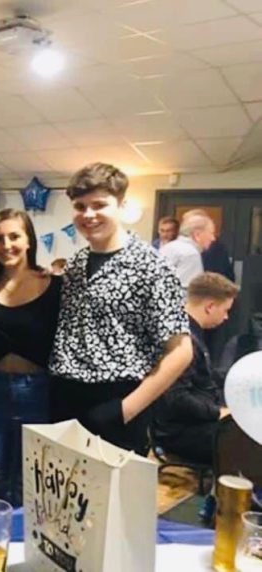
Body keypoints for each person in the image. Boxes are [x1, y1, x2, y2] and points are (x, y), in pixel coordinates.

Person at [49, 162, 192, 456]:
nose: (88, 215)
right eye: (80, 206)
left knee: (112, 500)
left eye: (99, 204)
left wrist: (126, 409)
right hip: (65, 396)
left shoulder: (151, 266)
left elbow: (181, 351)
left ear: (122, 205)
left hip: (117, 400)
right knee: (64, 498)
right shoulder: (76, 263)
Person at [0, 209, 61, 506]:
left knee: (34, 480)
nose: (6, 244)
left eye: (14, 236)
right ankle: (2, 547)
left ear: (29, 241)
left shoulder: (55, 286)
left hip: (38, 392)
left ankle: (29, 548)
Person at [152, 273, 238, 463]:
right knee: (247, 442)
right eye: (225, 310)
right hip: (178, 433)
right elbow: (176, 399)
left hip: (190, 424)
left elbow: (201, 378)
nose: (226, 317)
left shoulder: (189, 333)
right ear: (209, 307)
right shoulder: (184, 342)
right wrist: (218, 412)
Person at [160, 210, 216, 287]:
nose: (213, 238)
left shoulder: (167, 247)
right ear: (197, 235)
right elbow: (187, 291)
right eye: (211, 233)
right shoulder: (190, 254)